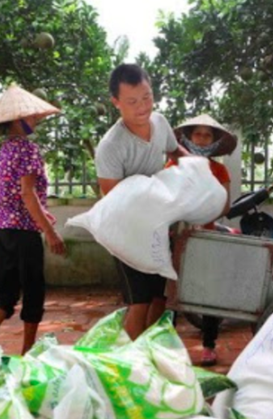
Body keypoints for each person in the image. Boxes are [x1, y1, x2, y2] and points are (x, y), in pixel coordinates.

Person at [95, 64, 188, 340]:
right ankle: (132, 368)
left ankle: (150, 353)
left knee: (160, 297)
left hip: (157, 227)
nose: (142, 107)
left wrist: (196, 167)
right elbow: (115, 201)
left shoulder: (159, 123)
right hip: (125, 233)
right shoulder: (111, 146)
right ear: (116, 103)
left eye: (147, 97)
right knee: (139, 302)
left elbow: (176, 151)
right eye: (132, 101)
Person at [0, 84, 66, 355]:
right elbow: (28, 195)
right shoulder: (28, 149)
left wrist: (42, 212)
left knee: (4, 296)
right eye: (31, 118)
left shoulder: (5, 149)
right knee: (33, 292)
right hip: (23, 232)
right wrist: (50, 231)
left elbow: (18, 195)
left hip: (1, 228)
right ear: (17, 120)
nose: (35, 121)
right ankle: (27, 354)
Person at [167, 114, 238, 366]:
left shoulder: (219, 170)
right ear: (187, 137)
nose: (202, 139)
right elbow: (166, 195)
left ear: (214, 141)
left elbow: (225, 205)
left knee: (208, 291)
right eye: (197, 134)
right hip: (176, 234)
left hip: (207, 235)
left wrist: (203, 214)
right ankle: (166, 346)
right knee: (171, 290)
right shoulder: (174, 165)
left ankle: (208, 345)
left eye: (207, 135)